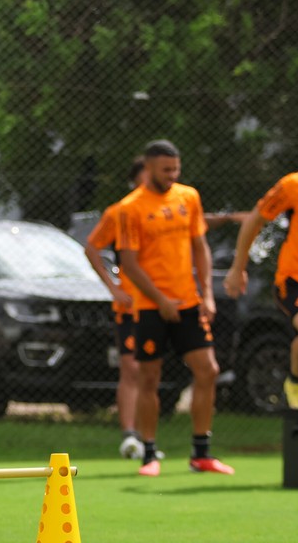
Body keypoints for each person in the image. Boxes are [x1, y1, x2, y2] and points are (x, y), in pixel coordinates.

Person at [116, 140, 234, 476]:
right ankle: (149, 454)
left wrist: (206, 294)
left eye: (176, 169)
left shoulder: (188, 197)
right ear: (149, 167)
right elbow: (129, 262)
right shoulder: (130, 207)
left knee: (208, 370)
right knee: (149, 377)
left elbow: (200, 246)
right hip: (151, 307)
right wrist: (160, 300)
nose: (172, 175)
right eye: (166, 170)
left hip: (188, 303)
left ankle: (201, 453)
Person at [223, 170, 298, 409]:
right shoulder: (295, 185)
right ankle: (297, 381)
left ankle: (297, 378)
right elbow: (255, 219)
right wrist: (238, 268)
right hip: (296, 280)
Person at [84, 157, 146, 459]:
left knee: (154, 370)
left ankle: (151, 441)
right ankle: (130, 435)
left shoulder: (176, 203)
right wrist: (113, 287)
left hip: (167, 303)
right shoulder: (121, 212)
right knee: (132, 368)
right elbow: (92, 246)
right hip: (133, 305)